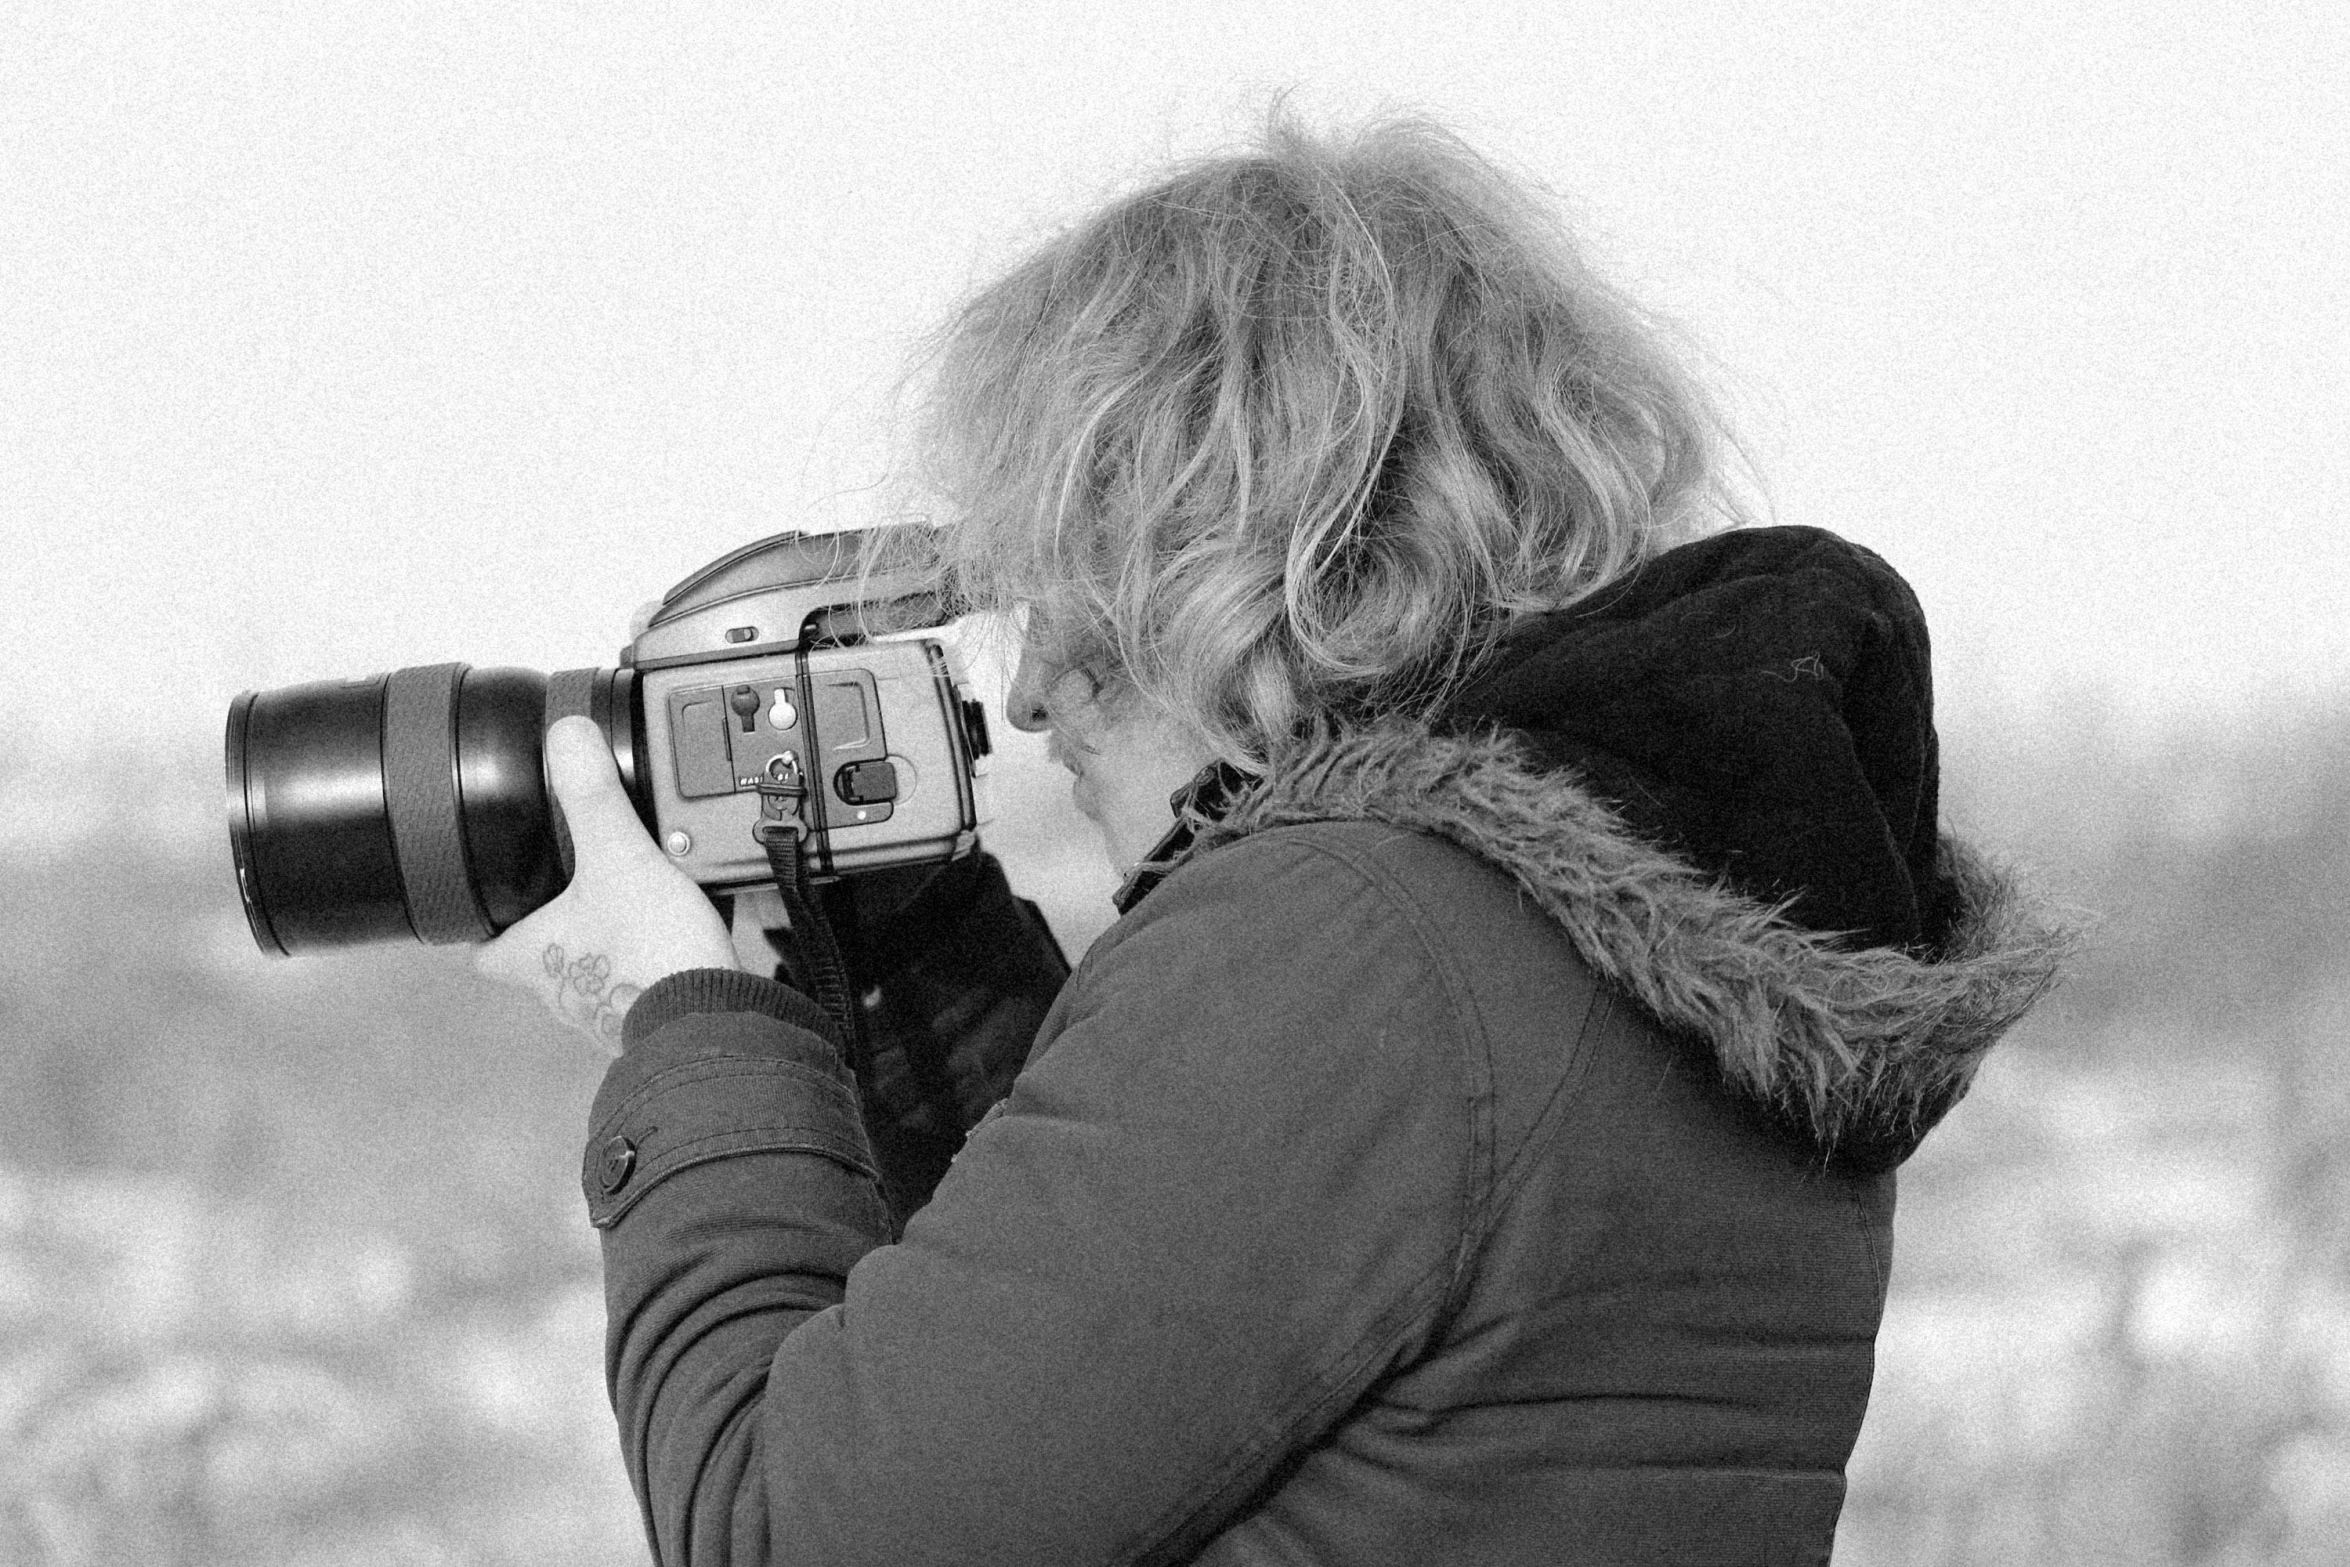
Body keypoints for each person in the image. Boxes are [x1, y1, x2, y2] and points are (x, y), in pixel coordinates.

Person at [477, 115, 2072, 1566]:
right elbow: (1179, 1346)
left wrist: (689, 1035)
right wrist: (908, 961)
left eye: (1066, 588)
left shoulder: (1360, 945)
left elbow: (796, 1529)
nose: (1025, 688)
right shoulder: (1590, 926)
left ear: (1233, 561)